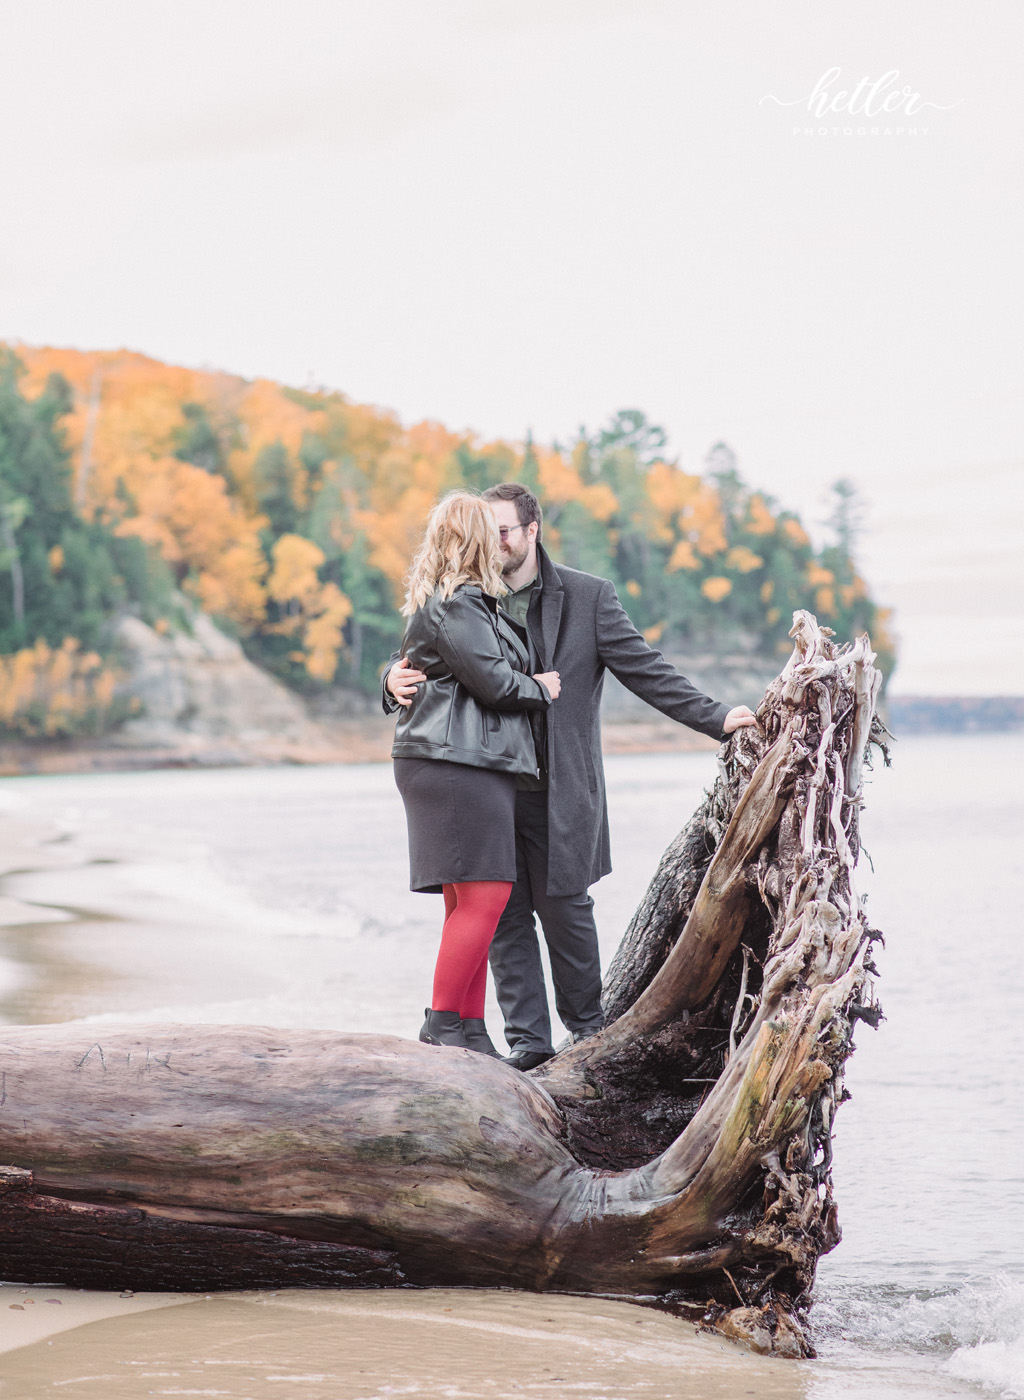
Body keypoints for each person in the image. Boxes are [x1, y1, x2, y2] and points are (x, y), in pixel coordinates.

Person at [384, 483, 756, 1070]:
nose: (496, 540)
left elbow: (646, 670)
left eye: (505, 529)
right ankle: (529, 1045)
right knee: (501, 918)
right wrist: (390, 680)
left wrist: (716, 718)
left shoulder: (588, 598)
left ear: (532, 532)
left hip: (558, 786)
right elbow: (430, 651)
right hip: (487, 780)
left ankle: (587, 1036)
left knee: (566, 911)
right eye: (489, 530)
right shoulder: (468, 591)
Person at [389, 489, 560, 1058]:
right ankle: (441, 1022)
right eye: (492, 530)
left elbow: (419, 666)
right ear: (475, 538)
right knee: (487, 899)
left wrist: (391, 677)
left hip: (457, 762)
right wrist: (541, 687)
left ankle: (469, 1030)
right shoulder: (458, 605)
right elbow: (493, 682)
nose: (502, 539)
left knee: (468, 905)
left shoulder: (462, 602)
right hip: (458, 763)